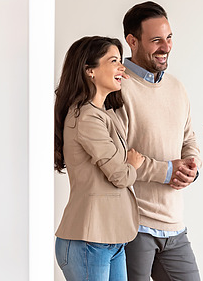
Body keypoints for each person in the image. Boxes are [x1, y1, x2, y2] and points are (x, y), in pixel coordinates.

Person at [116, 1, 202, 281]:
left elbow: (189, 139)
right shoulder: (118, 88)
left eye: (169, 38)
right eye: (155, 40)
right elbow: (116, 158)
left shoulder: (177, 88)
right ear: (132, 41)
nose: (165, 47)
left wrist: (192, 167)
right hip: (134, 225)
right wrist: (168, 171)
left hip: (175, 226)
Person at [54, 36, 145, 281]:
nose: (122, 67)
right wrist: (131, 165)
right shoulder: (87, 117)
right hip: (89, 241)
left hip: (109, 239)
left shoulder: (101, 114)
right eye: (114, 61)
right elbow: (120, 174)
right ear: (90, 71)